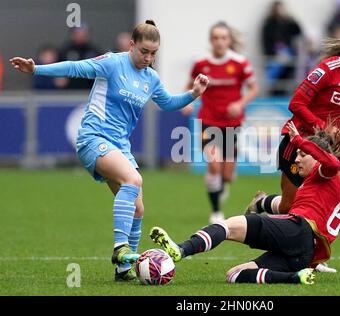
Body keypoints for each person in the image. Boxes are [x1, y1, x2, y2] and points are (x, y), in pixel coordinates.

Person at [10, 20, 209, 281]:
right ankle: (120, 249)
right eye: (144, 51)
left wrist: (193, 94)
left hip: (119, 147)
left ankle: (125, 270)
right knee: (134, 179)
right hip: (94, 138)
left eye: (153, 53)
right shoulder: (113, 62)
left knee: (138, 208)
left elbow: (169, 103)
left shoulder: (151, 78)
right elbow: (75, 67)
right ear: (131, 45)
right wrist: (36, 69)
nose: (148, 58)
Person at [149, 121, 340, 284]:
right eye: (297, 153)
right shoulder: (322, 191)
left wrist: (298, 141)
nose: (296, 159)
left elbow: (333, 163)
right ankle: (295, 278)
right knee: (234, 275)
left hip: (297, 230)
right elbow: (286, 206)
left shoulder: (325, 172)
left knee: (227, 226)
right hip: (304, 255)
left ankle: (182, 250)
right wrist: (261, 204)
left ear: (318, 157)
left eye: (301, 154)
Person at [246, 28, 340, 227]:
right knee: (289, 207)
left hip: (334, 147)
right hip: (301, 141)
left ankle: (316, 251)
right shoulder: (326, 70)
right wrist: (323, 128)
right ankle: (262, 203)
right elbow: (296, 104)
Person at [182, 21, 258, 224]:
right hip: (208, 120)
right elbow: (190, 85)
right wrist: (187, 100)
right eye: (215, 37)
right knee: (214, 165)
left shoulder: (240, 63)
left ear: (229, 40)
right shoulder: (201, 64)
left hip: (232, 122)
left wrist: (239, 103)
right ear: (211, 40)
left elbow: (253, 88)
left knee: (227, 173)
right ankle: (216, 211)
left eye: (223, 37)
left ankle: (223, 184)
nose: (219, 41)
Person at [261, 1, 302, 95]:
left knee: (286, 77)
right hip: (274, 57)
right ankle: (273, 92)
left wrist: (289, 17)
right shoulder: (268, 24)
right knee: (274, 79)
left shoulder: (287, 23)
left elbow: (298, 30)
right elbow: (265, 41)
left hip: (287, 56)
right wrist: (273, 55)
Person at [58, 23, 102, 89]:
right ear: (72, 35)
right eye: (78, 33)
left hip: (89, 89)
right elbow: (58, 66)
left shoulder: (94, 51)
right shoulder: (65, 50)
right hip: (68, 90)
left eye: (83, 33)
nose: (80, 36)